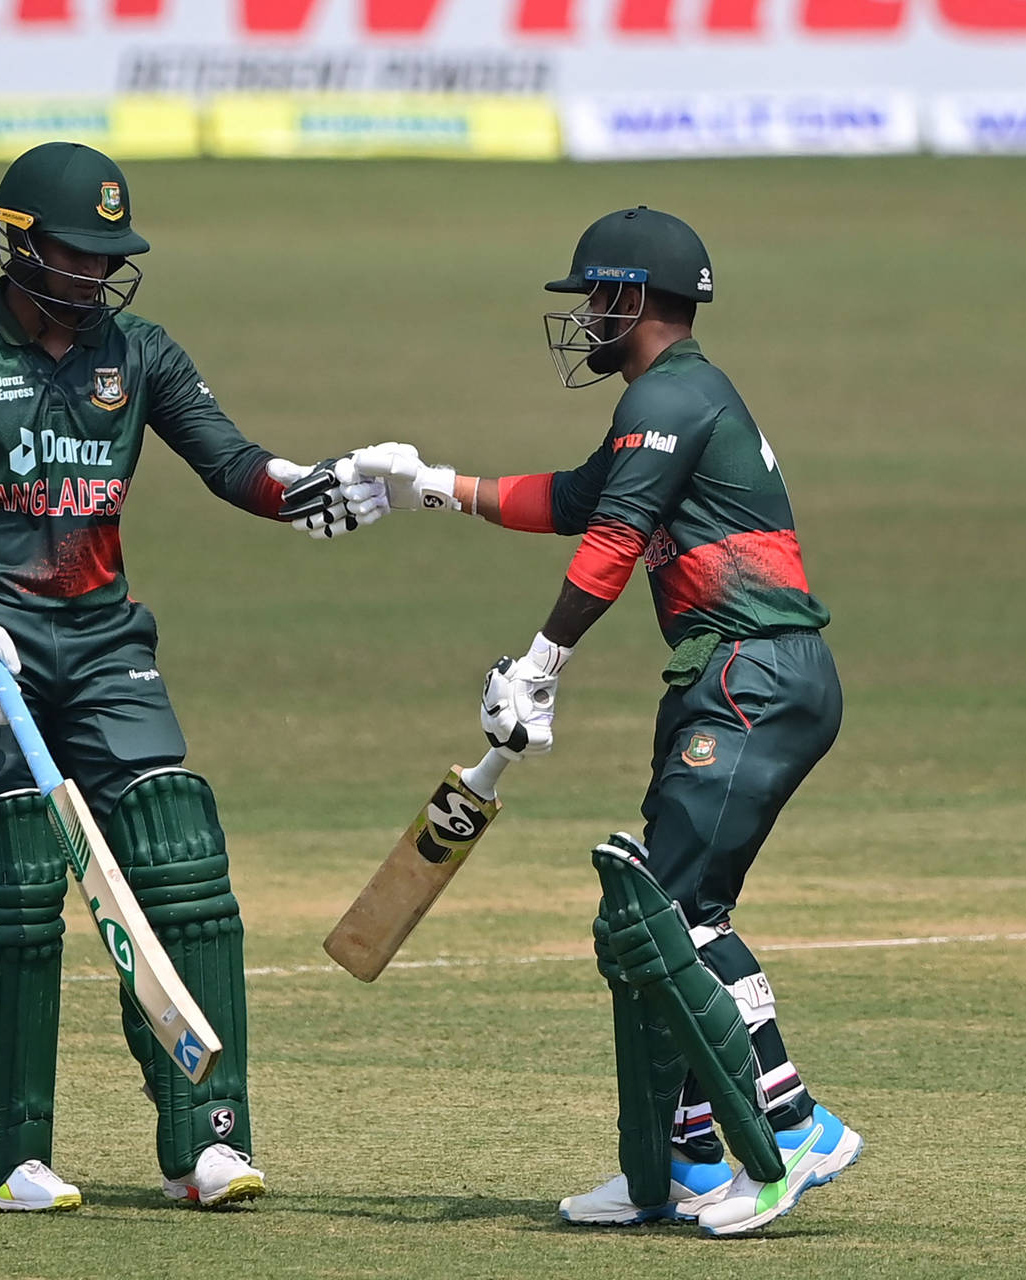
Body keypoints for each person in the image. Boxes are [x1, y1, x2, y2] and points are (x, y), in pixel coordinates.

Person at [0, 141, 385, 1212]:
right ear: (15, 243)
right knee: (9, 879)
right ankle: (0, 1158)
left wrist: (311, 486)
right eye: (74, 252)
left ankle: (209, 1139)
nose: (95, 274)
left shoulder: (139, 354)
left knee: (174, 844)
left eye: (109, 256)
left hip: (100, 643)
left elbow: (234, 462)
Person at [347, 206, 861, 1235]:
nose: (585, 314)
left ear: (639, 298)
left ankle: (798, 1125)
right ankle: (672, 1165)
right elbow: (584, 497)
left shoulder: (674, 394)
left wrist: (538, 666)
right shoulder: (662, 404)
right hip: (725, 676)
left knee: (673, 916)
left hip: (754, 673)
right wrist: (433, 486)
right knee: (644, 922)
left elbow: (616, 541)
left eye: (597, 296)